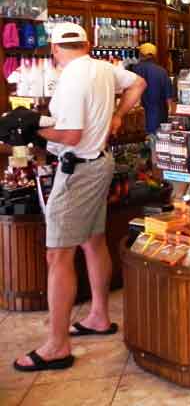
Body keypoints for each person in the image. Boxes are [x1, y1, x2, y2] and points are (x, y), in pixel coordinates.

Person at [14, 23, 146, 372]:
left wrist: (31, 128)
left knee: (57, 255)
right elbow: (138, 84)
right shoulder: (103, 67)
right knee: (93, 240)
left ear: (55, 50)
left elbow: (71, 134)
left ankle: (57, 345)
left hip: (78, 169)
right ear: (87, 43)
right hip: (99, 162)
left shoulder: (71, 79)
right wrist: (117, 115)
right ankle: (99, 315)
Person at [130, 43, 173, 152]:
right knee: (157, 152)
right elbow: (169, 99)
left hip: (136, 120)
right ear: (155, 55)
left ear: (140, 55)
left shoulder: (133, 70)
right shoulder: (162, 72)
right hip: (158, 119)